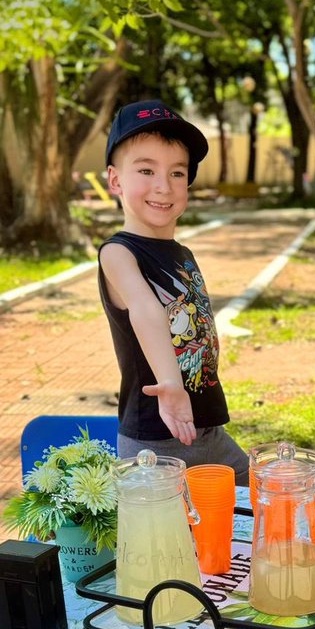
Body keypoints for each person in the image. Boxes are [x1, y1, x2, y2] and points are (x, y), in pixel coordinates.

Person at [98, 99, 249, 484]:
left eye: (177, 173)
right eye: (146, 170)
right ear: (116, 180)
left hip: (207, 431)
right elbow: (145, 310)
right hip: (155, 442)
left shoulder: (181, 252)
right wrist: (170, 384)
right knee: (166, 541)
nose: (163, 186)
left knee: (258, 508)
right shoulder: (118, 253)